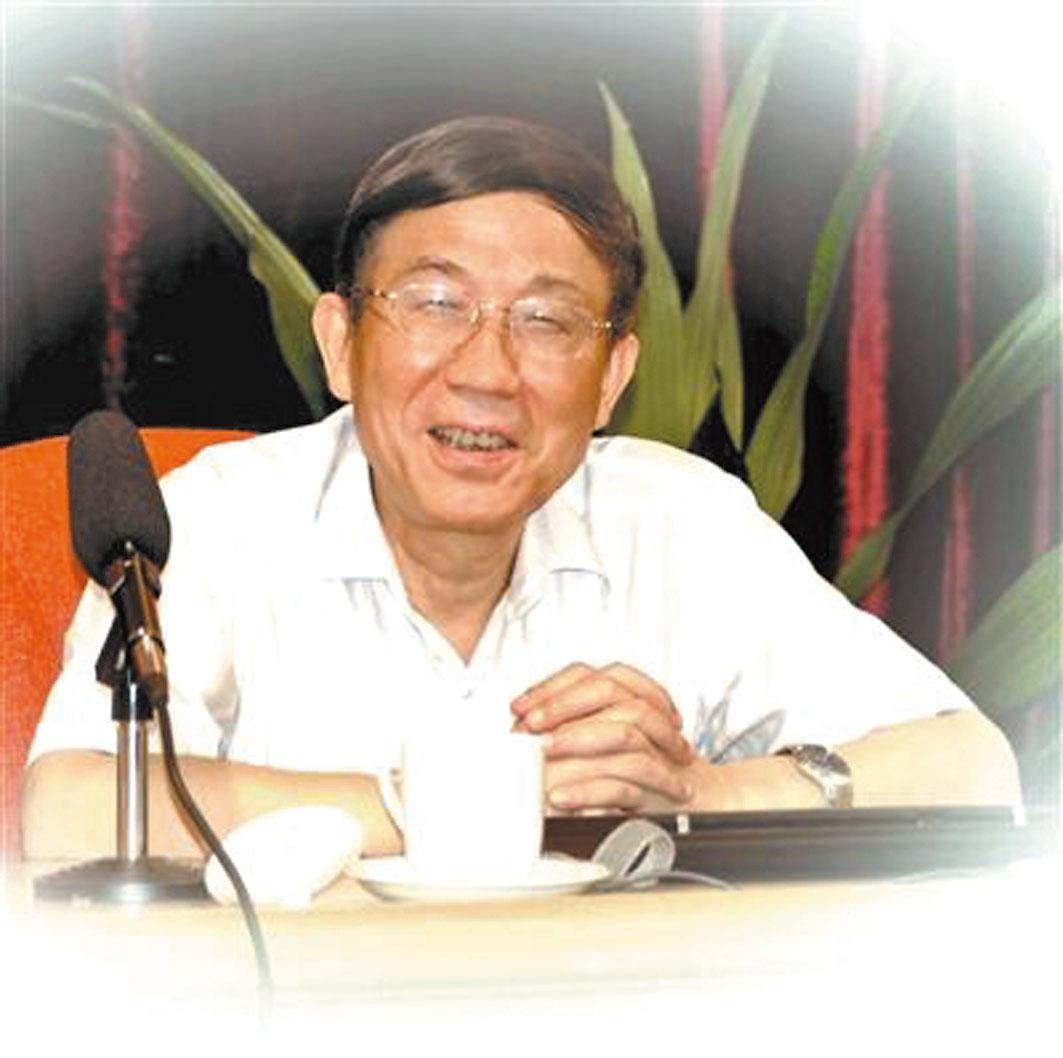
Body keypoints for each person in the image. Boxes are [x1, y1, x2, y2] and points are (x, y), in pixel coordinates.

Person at [22, 116, 1020, 861]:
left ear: (612, 378)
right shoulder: (216, 517)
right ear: (339, 342)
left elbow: (971, 766)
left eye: (546, 321)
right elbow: (75, 809)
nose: (487, 371)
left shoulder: (679, 521)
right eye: (434, 303)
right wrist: (452, 801)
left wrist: (700, 795)